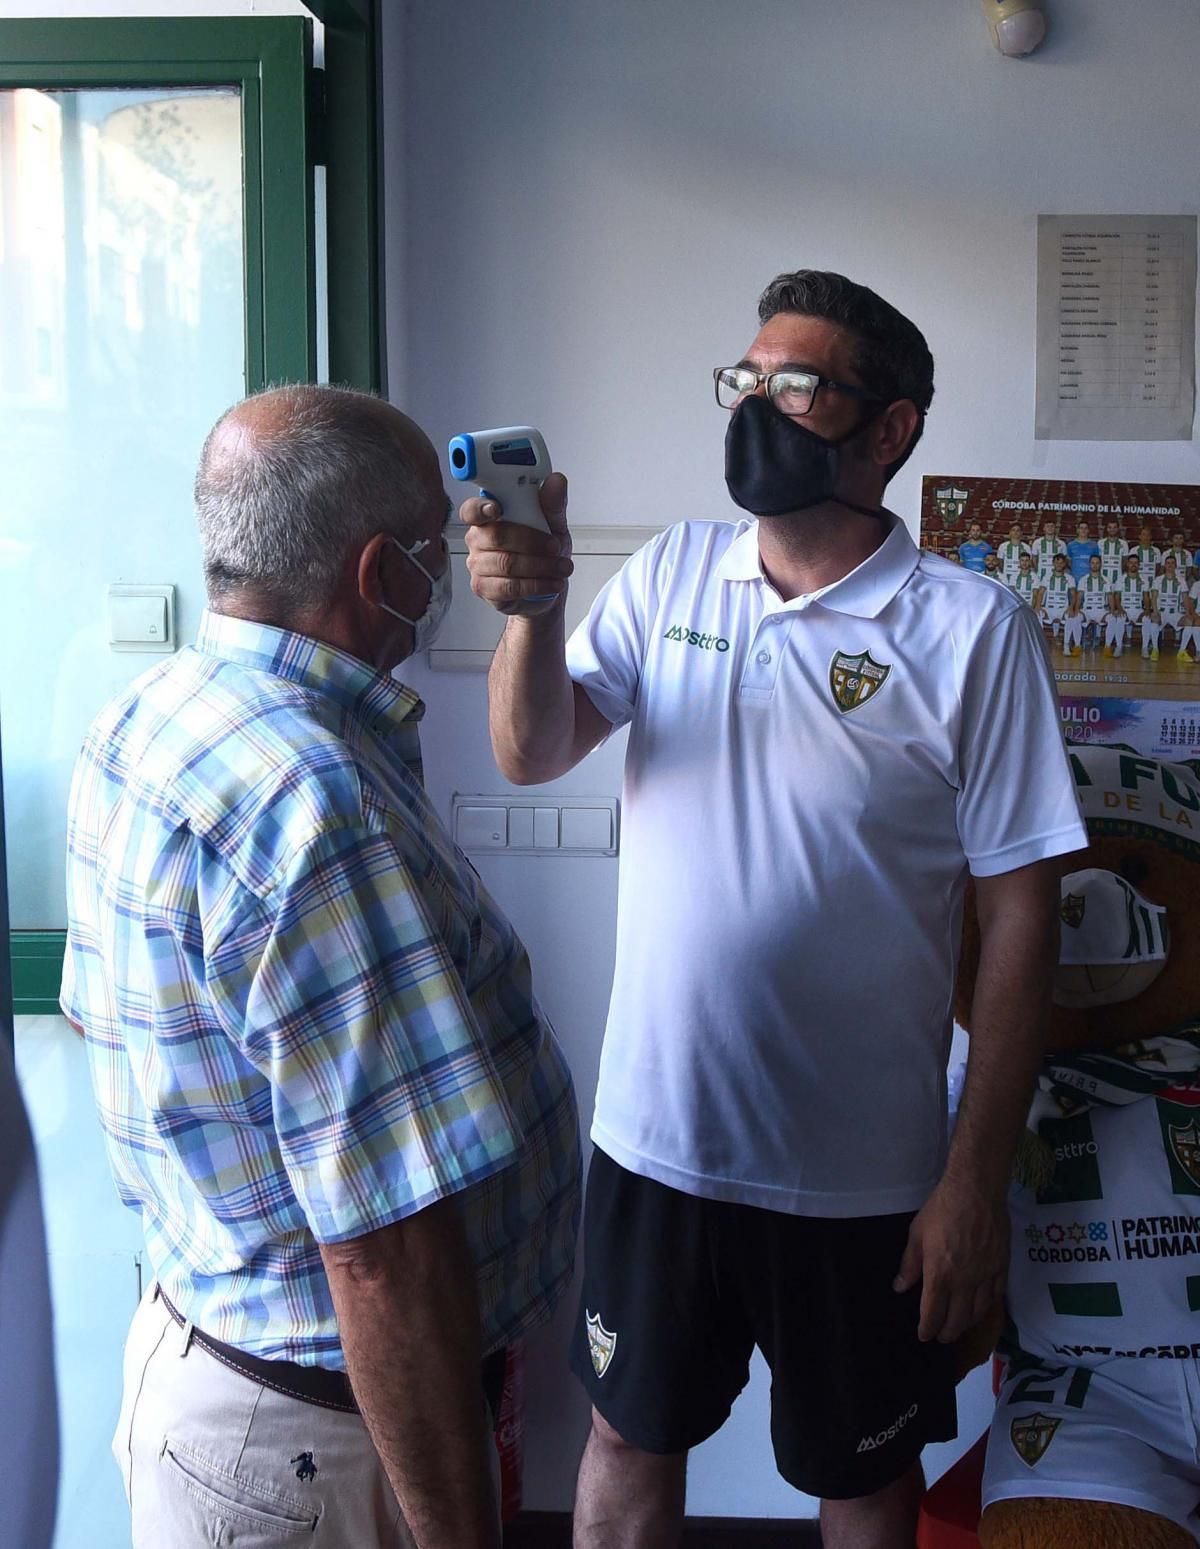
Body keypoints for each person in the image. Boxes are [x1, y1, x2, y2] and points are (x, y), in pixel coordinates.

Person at [463, 269, 1087, 1549]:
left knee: (858, 1479)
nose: (755, 406)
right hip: (658, 1145)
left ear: (890, 429)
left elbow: (1026, 918)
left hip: (863, 1178)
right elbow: (533, 749)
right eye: (742, 379)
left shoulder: (971, 632)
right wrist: (534, 612)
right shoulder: (672, 574)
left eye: (793, 384)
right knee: (631, 1439)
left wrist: (974, 1180)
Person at [60, 385, 582, 1549]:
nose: (443, 570)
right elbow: (384, 1254)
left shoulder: (151, 715)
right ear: (378, 574)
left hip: (215, 1369)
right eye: (432, 549)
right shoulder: (310, 795)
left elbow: (111, 1026)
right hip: (321, 1449)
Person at [1031, 518, 1065, 582]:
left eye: (1052, 526)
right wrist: (1038, 570)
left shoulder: (1061, 543)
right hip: (1041, 575)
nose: (1050, 528)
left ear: (1055, 528)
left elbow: (1064, 560)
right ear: (1044, 528)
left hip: (1057, 575)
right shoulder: (1037, 542)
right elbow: (1034, 559)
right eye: (1048, 526)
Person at [1098, 519, 1128, 589]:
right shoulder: (1100, 543)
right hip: (1103, 577)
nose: (1112, 529)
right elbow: (1098, 560)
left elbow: (1125, 561)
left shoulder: (1123, 543)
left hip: (1118, 577)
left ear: (1118, 529)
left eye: (1114, 527)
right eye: (1110, 527)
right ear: (1107, 529)